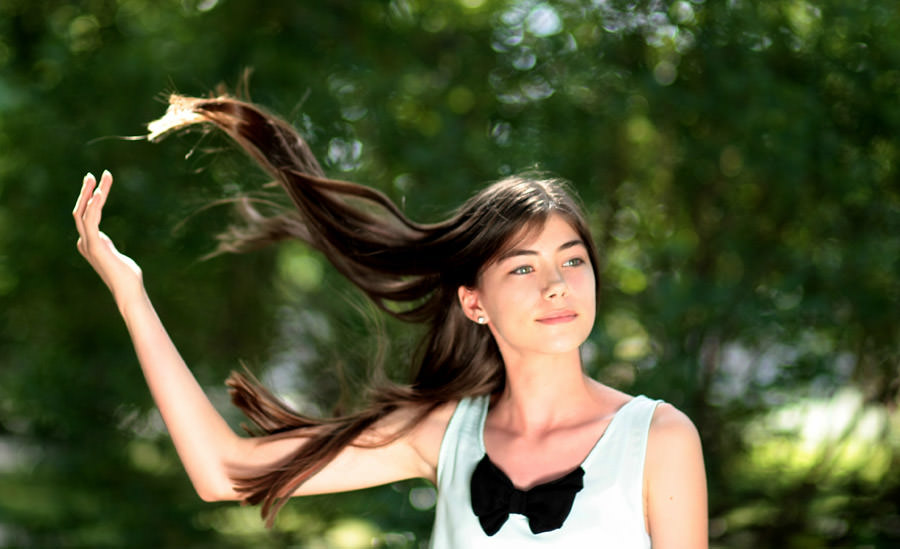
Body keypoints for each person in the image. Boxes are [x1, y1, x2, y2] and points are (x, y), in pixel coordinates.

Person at [73, 94, 707, 547]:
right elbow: (223, 473)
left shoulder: (659, 439)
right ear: (473, 303)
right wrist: (130, 292)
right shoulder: (442, 433)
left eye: (572, 261)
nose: (556, 285)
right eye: (521, 268)